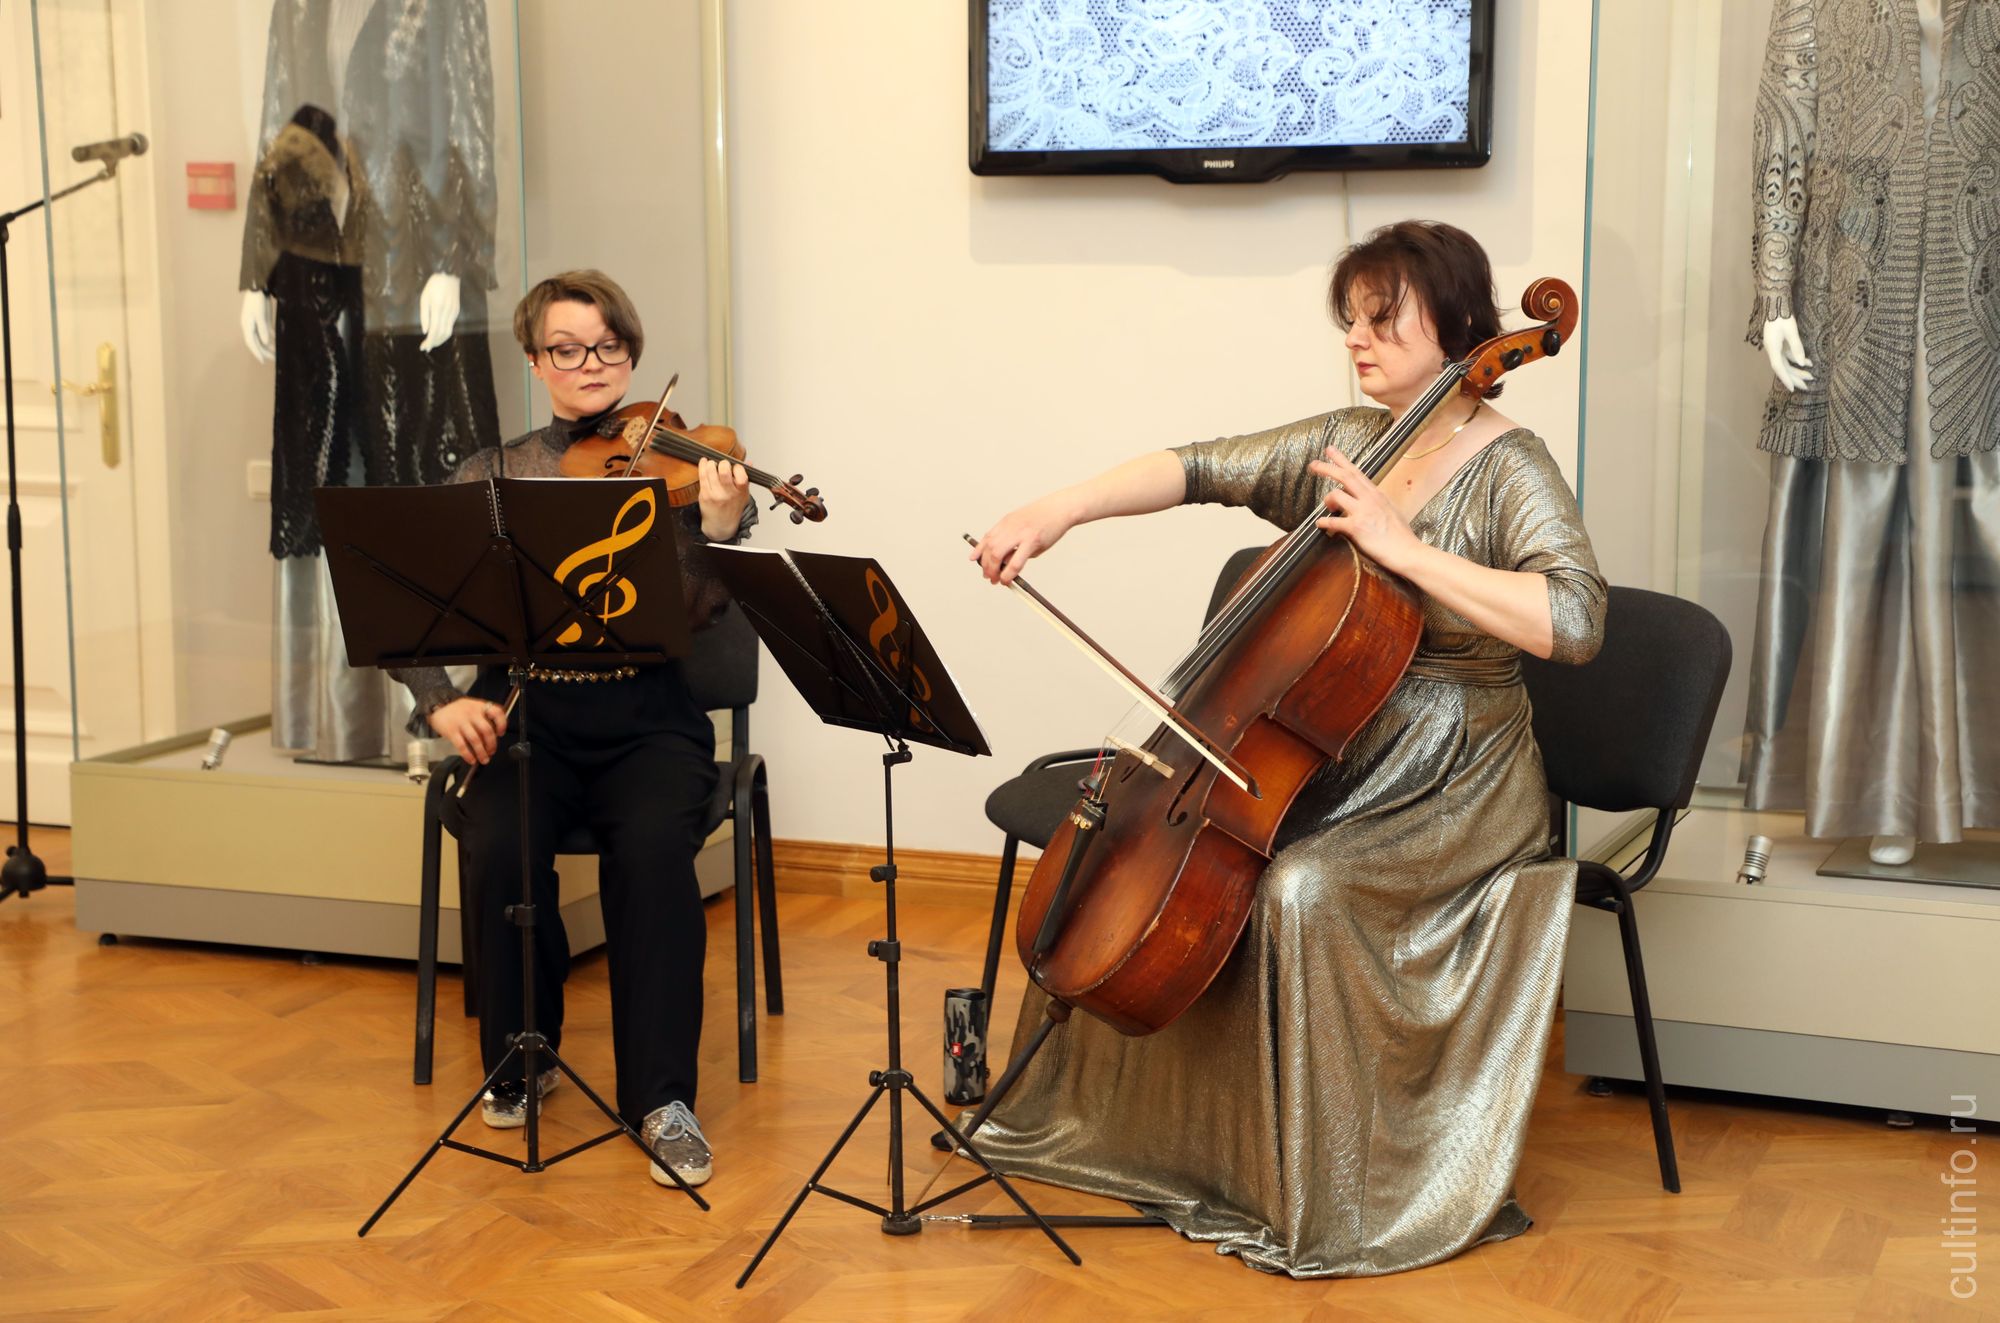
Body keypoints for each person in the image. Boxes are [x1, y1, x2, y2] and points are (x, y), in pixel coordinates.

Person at [966, 221, 1607, 1277]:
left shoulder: (1511, 465)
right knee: (1158, 857)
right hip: (1331, 748)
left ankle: (1327, 1191)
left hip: (1454, 775)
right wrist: (1060, 508)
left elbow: (1573, 621)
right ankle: (1167, 1148)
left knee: (1300, 889)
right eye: (1350, 319)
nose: (1357, 339)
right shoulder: (1353, 438)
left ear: (1456, 323)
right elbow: (1197, 466)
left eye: (1381, 319)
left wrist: (1403, 550)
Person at [393, 269, 753, 1189]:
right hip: (528, 715)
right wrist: (440, 701)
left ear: (631, 353)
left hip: (648, 722)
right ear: (534, 360)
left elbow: (701, 612)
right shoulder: (493, 472)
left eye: (608, 346)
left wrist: (717, 529)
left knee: (654, 856)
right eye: (567, 348)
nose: (591, 364)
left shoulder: (680, 468)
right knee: (498, 845)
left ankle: (663, 1099)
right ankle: (526, 1052)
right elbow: (409, 600)